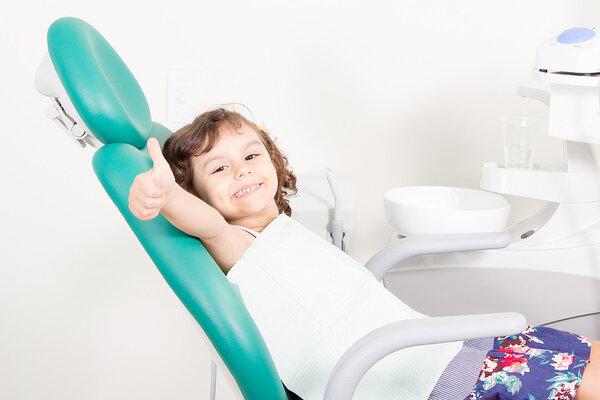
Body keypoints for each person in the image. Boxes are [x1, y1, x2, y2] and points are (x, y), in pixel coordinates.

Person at [128, 107, 599, 400]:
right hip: (431, 381)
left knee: (583, 353)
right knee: (580, 379)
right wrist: (165, 197)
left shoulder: (279, 230)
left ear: (271, 159)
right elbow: (206, 225)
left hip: (439, 351)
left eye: (251, 156)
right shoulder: (239, 244)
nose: (243, 172)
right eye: (220, 169)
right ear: (200, 194)